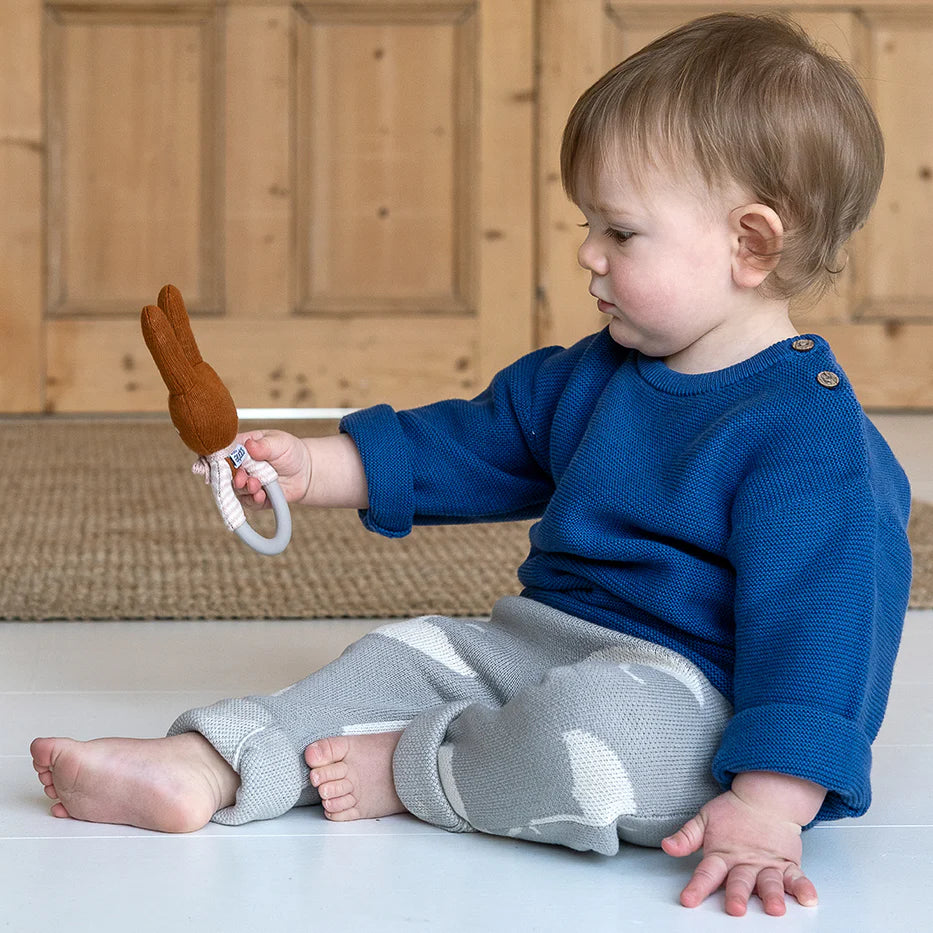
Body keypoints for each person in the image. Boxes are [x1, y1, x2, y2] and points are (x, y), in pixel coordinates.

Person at [31, 12, 912, 918]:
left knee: (595, 741)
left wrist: (769, 804)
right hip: (532, 642)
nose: (586, 254)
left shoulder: (812, 445)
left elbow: (823, 637)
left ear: (750, 244)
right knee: (394, 654)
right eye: (587, 224)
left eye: (620, 231)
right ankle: (209, 764)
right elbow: (472, 442)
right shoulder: (592, 374)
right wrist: (313, 468)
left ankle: (416, 765)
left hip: (690, 702)